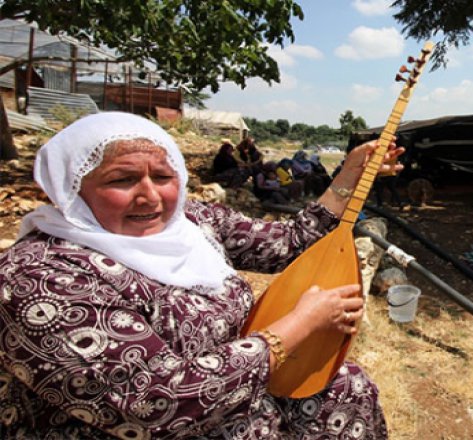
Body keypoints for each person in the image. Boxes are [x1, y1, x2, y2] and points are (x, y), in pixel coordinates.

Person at [0, 112, 403, 439]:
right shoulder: (38, 277)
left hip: (243, 388)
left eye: (162, 176)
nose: (151, 195)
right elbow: (149, 404)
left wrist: (349, 175)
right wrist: (299, 325)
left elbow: (288, 242)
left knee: (347, 386)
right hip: (166, 423)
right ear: (71, 188)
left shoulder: (189, 222)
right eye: (122, 179)